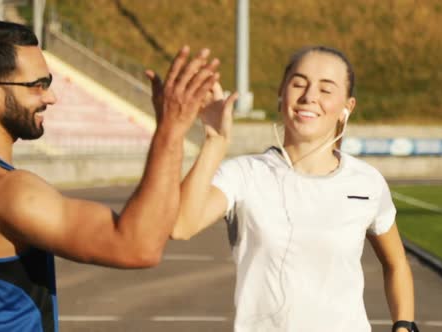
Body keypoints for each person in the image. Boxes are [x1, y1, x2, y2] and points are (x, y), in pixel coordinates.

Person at [0, 20, 220, 331]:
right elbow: (138, 246)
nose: (51, 97)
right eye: (37, 85)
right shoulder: (8, 192)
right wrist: (171, 129)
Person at [171, 46, 419, 332]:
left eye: (326, 89)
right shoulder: (244, 174)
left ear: (347, 108)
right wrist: (214, 140)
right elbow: (181, 226)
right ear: (281, 94)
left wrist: (404, 326)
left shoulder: (367, 182)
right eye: (299, 83)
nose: (309, 96)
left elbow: (397, 264)